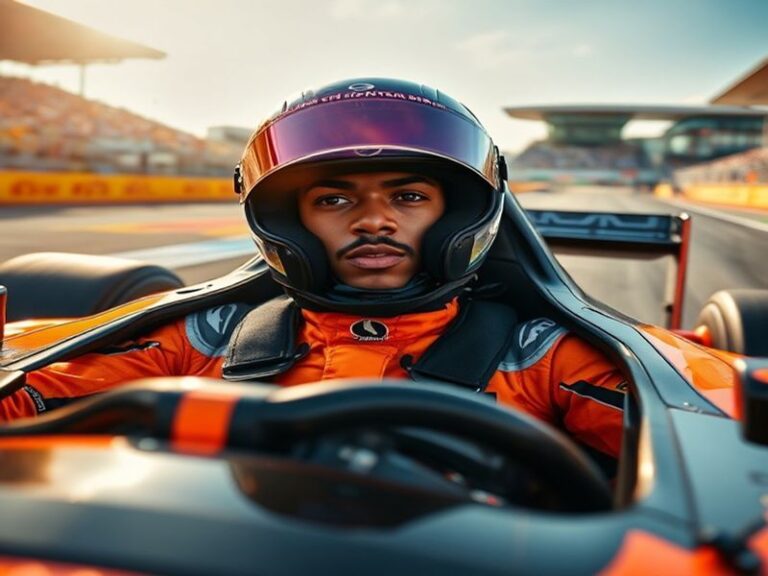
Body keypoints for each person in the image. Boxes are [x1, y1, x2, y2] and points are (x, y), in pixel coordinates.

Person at [1, 78, 625, 460]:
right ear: (289, 222)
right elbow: (29, 394)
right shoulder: (207, 337)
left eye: (408, 197)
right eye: (334, 200)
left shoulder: (542, 357)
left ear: (457, 215)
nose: (373, 221)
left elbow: (712, 449)